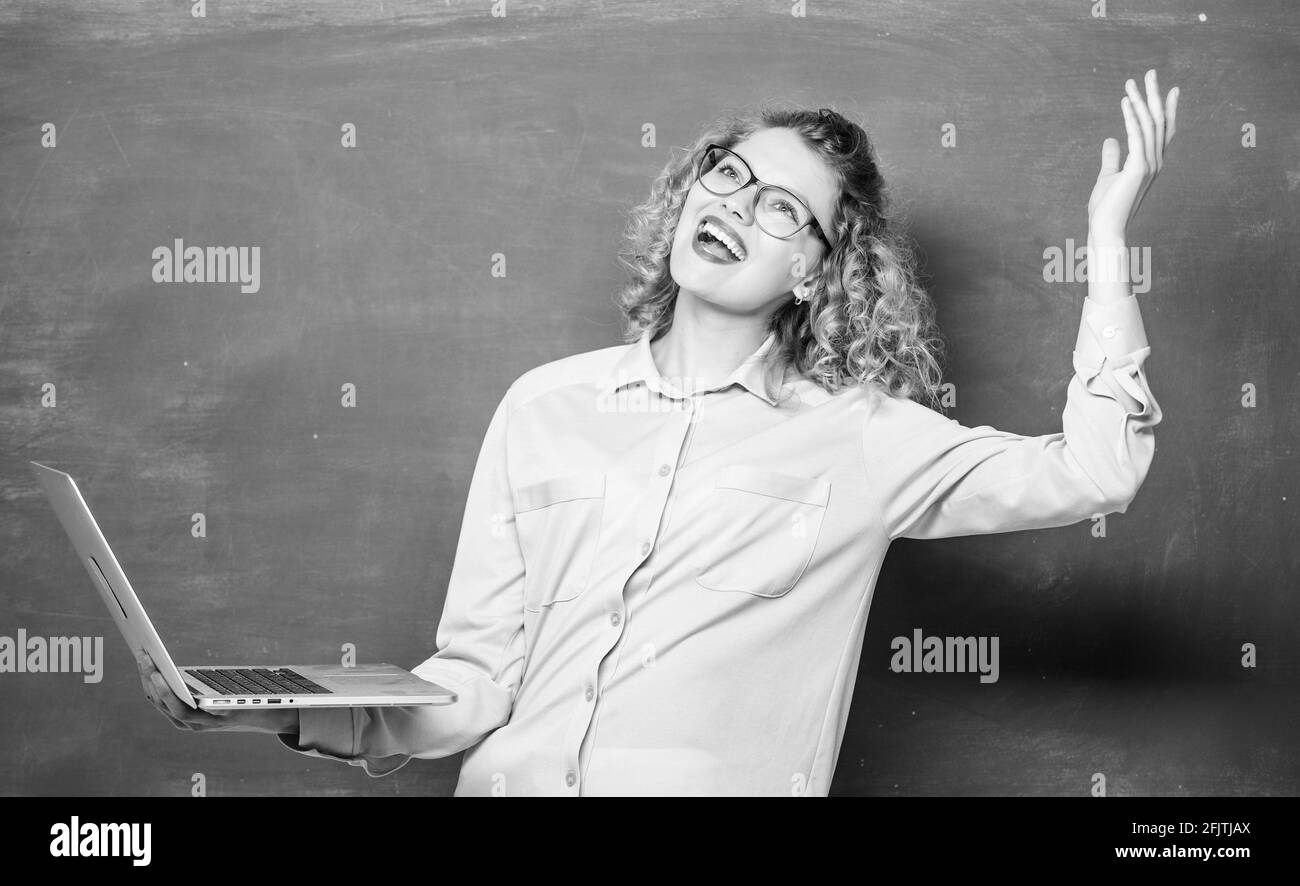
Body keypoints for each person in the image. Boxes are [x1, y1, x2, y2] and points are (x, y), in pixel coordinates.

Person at [139, 70, 1179, 796]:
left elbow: (1095, 470)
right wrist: (267, 708)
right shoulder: (543, 406)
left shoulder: (862, 439)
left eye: (783, 208)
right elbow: (467, 690)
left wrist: (1104, 237)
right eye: (729, 173)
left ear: (815, 269)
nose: (735, 203)